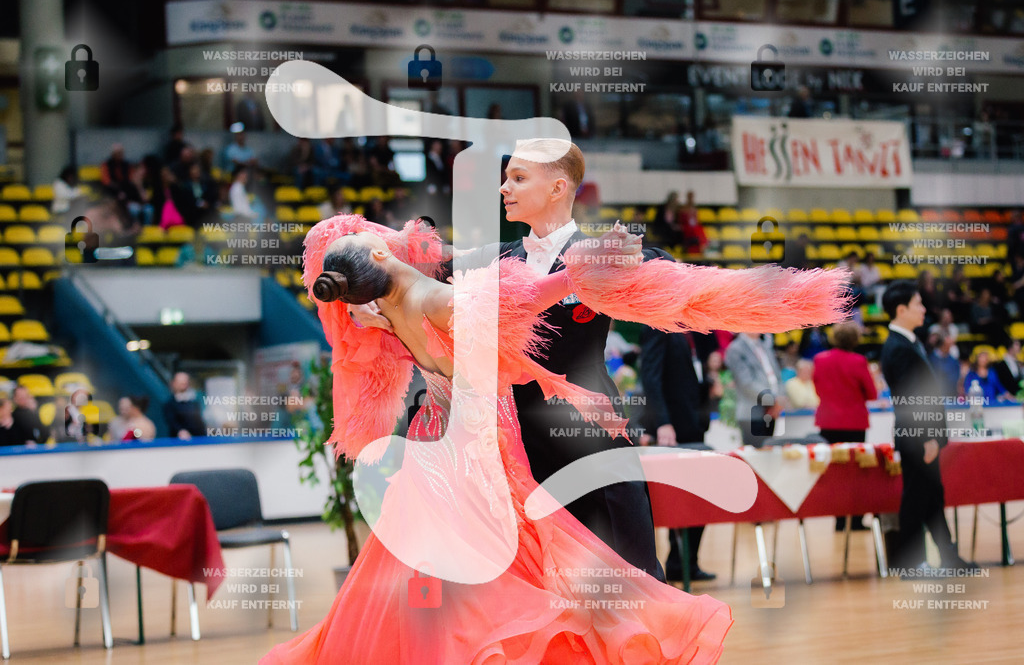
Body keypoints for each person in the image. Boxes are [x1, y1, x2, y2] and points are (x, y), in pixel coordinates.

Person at [262, 206, 849, 663]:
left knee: (441, 577)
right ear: (382, 264)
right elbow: (529, 306)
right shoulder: (435, 296)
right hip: (481, 444)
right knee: (525, 565)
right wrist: (581, 271)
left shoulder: (378, 315)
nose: (390, 241)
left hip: (432, 446)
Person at [880, 280, 976, 573]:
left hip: (921, 436)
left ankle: (948, 557)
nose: (924, 309)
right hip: (917, 437)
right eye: (918, 303)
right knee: (916, 498)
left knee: (933, 497)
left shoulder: (909, 342)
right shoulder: (899, 347)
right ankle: (910, 563)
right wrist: (928, 438)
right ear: (901, 309)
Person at [638, 326, 716, 582]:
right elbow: (650, 377)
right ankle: (676, 563)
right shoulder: (656, 328)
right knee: (674, 500)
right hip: (671, 429)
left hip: (692, 426)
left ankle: (685, 563)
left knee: (697, 497)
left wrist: (708, 386)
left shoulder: (689, 331)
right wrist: (662, 422)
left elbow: (686, 378)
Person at [812, 322, 877, 531]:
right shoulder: (858, 361)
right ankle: (856, 520)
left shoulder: (820, 360)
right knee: (856, 471)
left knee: (834, 471)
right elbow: (872, 393)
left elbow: (817, 387)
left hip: (828, 422)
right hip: (854, 422)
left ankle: (839, 520)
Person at [725, 332, 786, 447]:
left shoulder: (764, 345)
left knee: (767, 452)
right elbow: (746, 383)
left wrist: (780, 398)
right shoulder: (736, 348)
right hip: (751, 411)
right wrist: (773, 399)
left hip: (770, 410)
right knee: (755, 455)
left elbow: (777, 375)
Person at [164, 372, 205, 439]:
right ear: (173, 384)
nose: (183, 385)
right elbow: (172, 422)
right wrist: (180, 431)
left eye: (185, 383)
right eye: (180, 383)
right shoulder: (170, 404)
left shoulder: (195, 401)